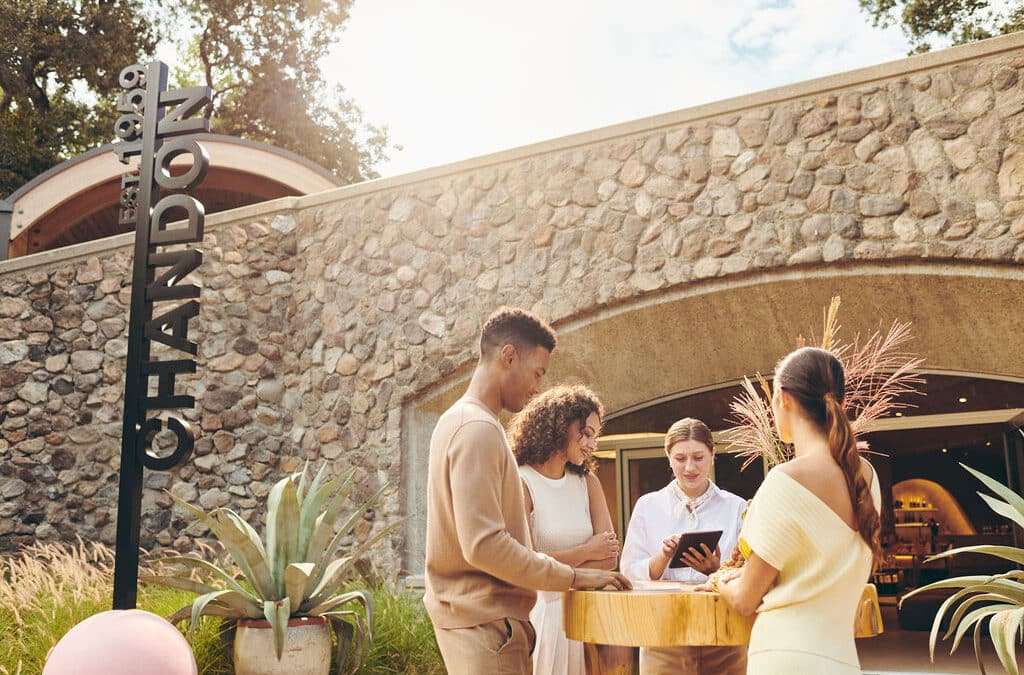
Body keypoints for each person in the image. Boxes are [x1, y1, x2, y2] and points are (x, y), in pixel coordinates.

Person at [423, 307, 631, 675]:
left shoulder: (460, 422)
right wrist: (575, 576)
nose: (538, 388)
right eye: (537, 372)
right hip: (487, 630)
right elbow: (484, 545)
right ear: (508, 356)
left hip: (487, 627)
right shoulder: (477, 429)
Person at [715, 347, 881, 674]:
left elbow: (746, 598)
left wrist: (721, 579)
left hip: (783, 657)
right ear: (841, 404)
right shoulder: (868, 479)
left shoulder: (785, 480)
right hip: (843, 660)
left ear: (783, 399)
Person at [620, 417, 747, 675]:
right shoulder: (648, 505)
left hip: (724, 635)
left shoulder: (736, 507)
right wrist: (662, 557)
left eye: (698, 457)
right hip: (663, 636)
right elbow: (628, 572)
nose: (690, 467)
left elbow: (749, 572)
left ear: (713, 455)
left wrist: (716, 570)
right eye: (680, 459)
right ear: (668, 457)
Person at [508, 385, 619, 675]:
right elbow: (525, 563)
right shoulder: (522, 481)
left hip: (585, 615)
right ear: (563, 426)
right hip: (542, 617)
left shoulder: (588, 483)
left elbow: (609, 559)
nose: (593, 445)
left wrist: (554, 561)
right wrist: (586, 552)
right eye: (588, 433)